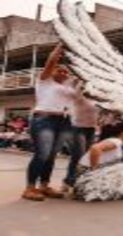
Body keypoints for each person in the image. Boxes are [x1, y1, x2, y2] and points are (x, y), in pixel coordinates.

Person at [22, 44, 75, 201]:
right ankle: (29, 188)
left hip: (63, 121)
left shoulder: (67, 88)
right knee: (42, 154)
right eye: (60, 70)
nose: (64, 73)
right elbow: (51, 60)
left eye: (66, 71)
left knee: (51, 156)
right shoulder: (45, 81)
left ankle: (44, 186)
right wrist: (61, 45)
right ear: (52, 71)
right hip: (44, 120)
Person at [62, 82, 99, 190]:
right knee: (78, 155)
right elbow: (77, 91)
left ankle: (80, 181)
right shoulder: (79, 98)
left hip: (91, 130)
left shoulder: (96, 101)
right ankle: (68, 181)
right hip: (77, 129)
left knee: (85, 157)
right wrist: (81, 82)